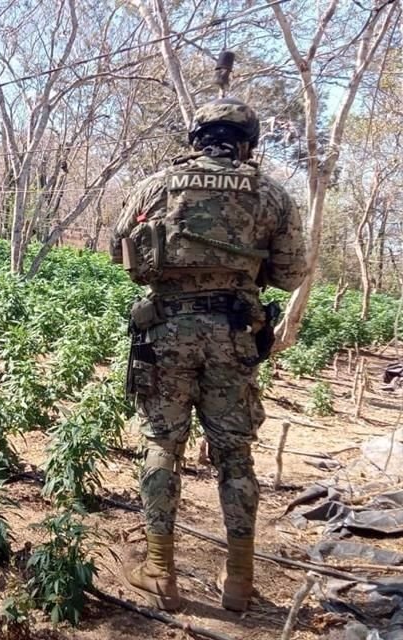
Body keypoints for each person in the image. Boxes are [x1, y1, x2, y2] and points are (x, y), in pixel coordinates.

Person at [109, 97, 307, 613]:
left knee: (162, 446)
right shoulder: (272, 194)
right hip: (234, 334)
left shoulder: (157, 186)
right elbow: (289, 274)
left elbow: (117, 249)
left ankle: (159, 570)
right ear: (248, 143)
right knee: (235, 456)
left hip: (166, 333)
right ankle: (239, 580)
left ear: (196, 139)